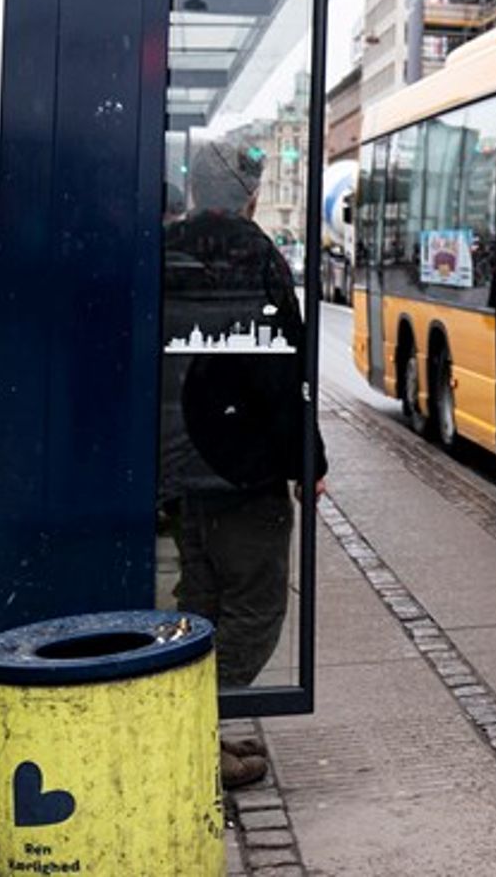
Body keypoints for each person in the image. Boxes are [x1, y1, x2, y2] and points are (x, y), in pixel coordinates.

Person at [161, 140, 326, 789]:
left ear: (195, 190)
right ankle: (191, 732)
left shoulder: (167, 248)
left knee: (199, 601)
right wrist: (307, 459)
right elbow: (286, 371)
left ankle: (196, 734)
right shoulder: (256, 254)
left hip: (179, 462)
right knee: (256, 607)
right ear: (249, 195)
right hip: (238, 466)